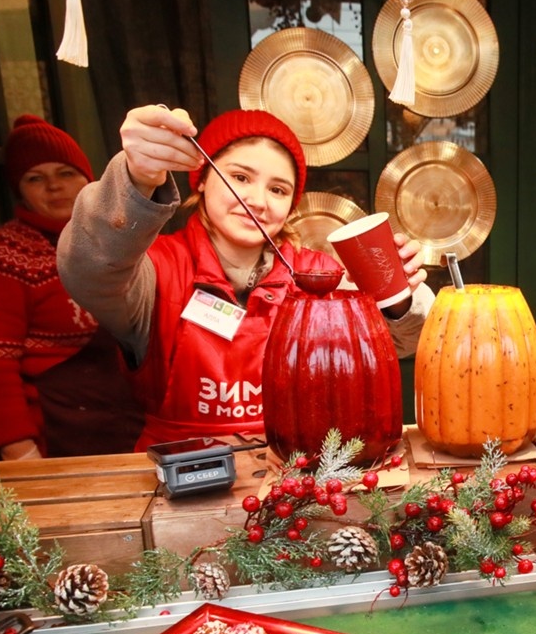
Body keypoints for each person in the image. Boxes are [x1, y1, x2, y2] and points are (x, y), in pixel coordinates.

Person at [57, 105, 434, 449]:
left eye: (278, 189)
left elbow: (403, 341)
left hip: (299, 472)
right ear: (202, 179)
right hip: (182, 474)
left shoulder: (318, 276)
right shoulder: (153, 268)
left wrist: (397, 295)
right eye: (239, 177)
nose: (257, 200)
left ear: (290, 205)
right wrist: (137, 178)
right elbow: (90, 269)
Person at [0, 114, 143, 459]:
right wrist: (21, 455)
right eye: (35, 178)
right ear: (20, 190)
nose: (54, 186)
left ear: (88, 179)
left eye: (66, 173)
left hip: (134, 424)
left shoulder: (121, 236)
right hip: (59, 436)